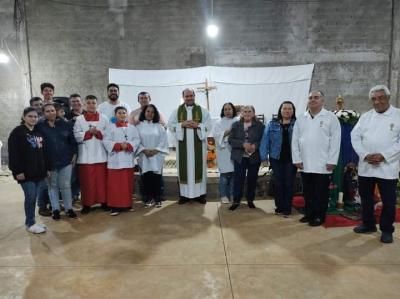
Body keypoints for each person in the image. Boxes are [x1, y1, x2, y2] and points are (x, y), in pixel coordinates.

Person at [351, 85, 400, 243]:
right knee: (366, 198)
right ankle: (368, 224)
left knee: (388, 201)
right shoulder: (366, 116)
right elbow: (355, 136)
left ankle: (386, 230)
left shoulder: (398, 115)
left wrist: (384, 156)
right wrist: (365, 155)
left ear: (388, 98)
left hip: (387, 167)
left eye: (381, 98)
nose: (377, 101)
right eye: (374, 99)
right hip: (366, 166)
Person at [292, 90, 341, 226]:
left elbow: (336, 141)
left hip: (323, 163)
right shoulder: (301, 118)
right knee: (307, 191)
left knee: (321, 192)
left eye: (316, 97)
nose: (313, 100)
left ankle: (320, 216)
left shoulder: (331, 117)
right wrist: (297, 158)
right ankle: (309, 213)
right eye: (310, 98)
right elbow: (295, 140)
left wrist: (332, 160)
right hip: (305, 162)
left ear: (322, 101)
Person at [168, 88, 212, 204]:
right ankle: (184, 195)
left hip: (199, 146)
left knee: (199, 169)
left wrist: (197, 125)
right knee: (184, 170)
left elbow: (209, 125)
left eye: (191, 95)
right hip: (183, 147)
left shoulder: (203, 110)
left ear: (194, 96)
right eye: (186, 96)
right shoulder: (177, 111)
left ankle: (200, 195)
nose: (189, 98)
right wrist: (182, 124)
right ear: (183, 97)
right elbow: (170, 125)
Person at [8, 107, 47, 233]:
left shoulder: (37, 132)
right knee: (30, 197)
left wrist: (45, 169)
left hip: (38, 172)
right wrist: (17, 171)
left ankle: (31, 221)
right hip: (25, 173)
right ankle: (30, 223)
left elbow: (42, 153)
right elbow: (13, 154)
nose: (33, 119)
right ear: (24, 117)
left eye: (35, 117)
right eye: (30, 116)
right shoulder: (17, 132)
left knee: (34, 197)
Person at [37, 103, 78, 220]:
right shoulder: (40, 127)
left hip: (66, 161)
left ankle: (69, 208)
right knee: (52, 186)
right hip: (49, 163)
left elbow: (72, 141)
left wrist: (74, 154)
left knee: (65, 186)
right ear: (44, 114)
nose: (51, 113)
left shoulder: (66, 124)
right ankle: (55, 209)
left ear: (56, 111)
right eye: (48, 111)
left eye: (53, 110)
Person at [260, 101, 297, 217]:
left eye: (289, 109)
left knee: (289, 183)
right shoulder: (272, 124)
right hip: (276, 158)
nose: (287, 111)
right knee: (278, 183)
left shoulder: (298, 124)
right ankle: (279, 207)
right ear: (280, 110)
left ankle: (287, 209)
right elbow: (264, 141)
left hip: (292, 159)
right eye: (285, 108)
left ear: (293, 111)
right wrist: (263, 158)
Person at [74, 95, 109, 214]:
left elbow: (109, 133)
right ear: (84, 105)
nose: (91, 105)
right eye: (88, 103)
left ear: (97, 104)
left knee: (101, 182)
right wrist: (88, 133)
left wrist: (98, 132)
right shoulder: (79, 119)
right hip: (85, 156)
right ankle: (87, 204)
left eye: (93, 103)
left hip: (100, 154)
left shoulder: (104, 118)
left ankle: (104, 202)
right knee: (87, 182)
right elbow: (76, 135)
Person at [103, 106, 140, 216]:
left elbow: (137, 140)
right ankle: (114, 207)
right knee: (115, 185)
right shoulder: (110, 128)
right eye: (119, 113)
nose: (122, 115)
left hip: (128, 160)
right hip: (115, 160)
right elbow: (106, 141)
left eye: (124, 113)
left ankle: (127, 204)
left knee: (127, 184)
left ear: (127, 115)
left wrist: (128, 145)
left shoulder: (132, 128)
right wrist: (119, 146)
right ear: (115, 115)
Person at [228, 105, 265, 211]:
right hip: (240, 157)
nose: (247, 113)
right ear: (241, 113)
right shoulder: (236, 125)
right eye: (245, 111)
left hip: (254, 156)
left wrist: (255, 146)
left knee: (252, 179)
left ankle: (250, 200)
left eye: (249, 111)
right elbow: (231, 140)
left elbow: (263, 139)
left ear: (253, 113)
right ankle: (236, 200)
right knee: (238, 179)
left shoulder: (260, 125)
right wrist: (243, 144)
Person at [136, 104, 169, 208]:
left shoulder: (159, 126)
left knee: (157, 178)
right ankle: (148, 198)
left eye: (152, 112)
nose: (150, 114)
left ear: (155, 114)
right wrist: (144, 150)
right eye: (148, 111)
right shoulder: (138, 127)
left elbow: (163, 140)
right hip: (144, 155)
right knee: (146, 177)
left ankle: (157, 198)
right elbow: (136, 140)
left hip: (156, 155)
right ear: (144, 113)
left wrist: (156, 150)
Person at [212, 102, 239, 204]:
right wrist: (229, 131)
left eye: (229, 109)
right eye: (225, 109)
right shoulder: (219, 122)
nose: (227, 111)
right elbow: (216, 135)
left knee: (234, 175)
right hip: (223, 151)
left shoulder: (238, 120)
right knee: (224, 175)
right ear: (223, 111)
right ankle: (223, 195)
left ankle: (232, 195)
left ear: (233, 110)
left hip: (235, 150)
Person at [65, 93, 84, 201]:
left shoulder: (87, 114)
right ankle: (71, 197)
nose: (76, 103)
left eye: (77, 101)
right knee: (72, 175)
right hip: (73, 149)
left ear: (81, 102)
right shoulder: (66, 116)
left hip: (87, 149)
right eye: (73, 101)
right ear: (70, 104)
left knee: (82, 174)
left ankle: (78, 193)